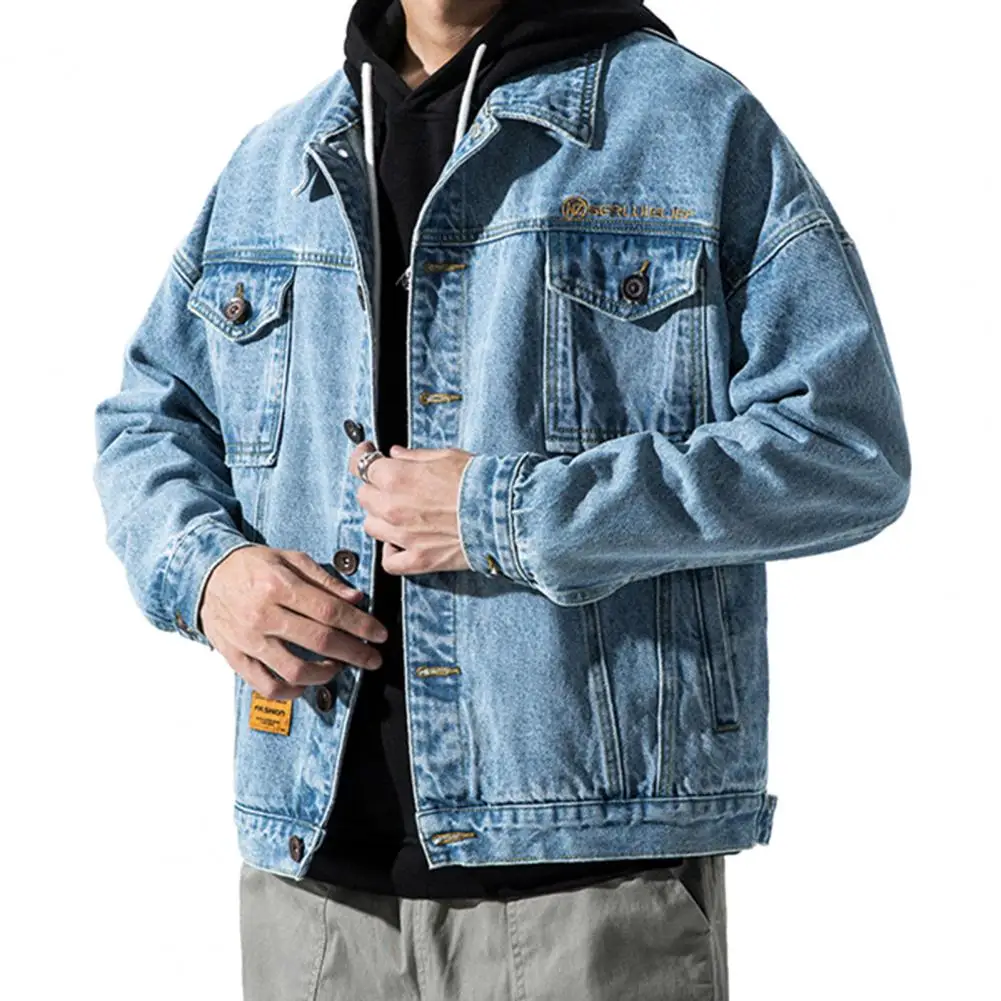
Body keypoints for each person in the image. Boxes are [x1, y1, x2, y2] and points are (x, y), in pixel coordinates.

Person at [92, 0, 911, 997]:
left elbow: (846, 447)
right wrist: (207, 573)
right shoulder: (280, 158)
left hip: (587, 884)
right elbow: (149, 417)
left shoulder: (690, 126)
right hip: (311, 891)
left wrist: (510, 515)